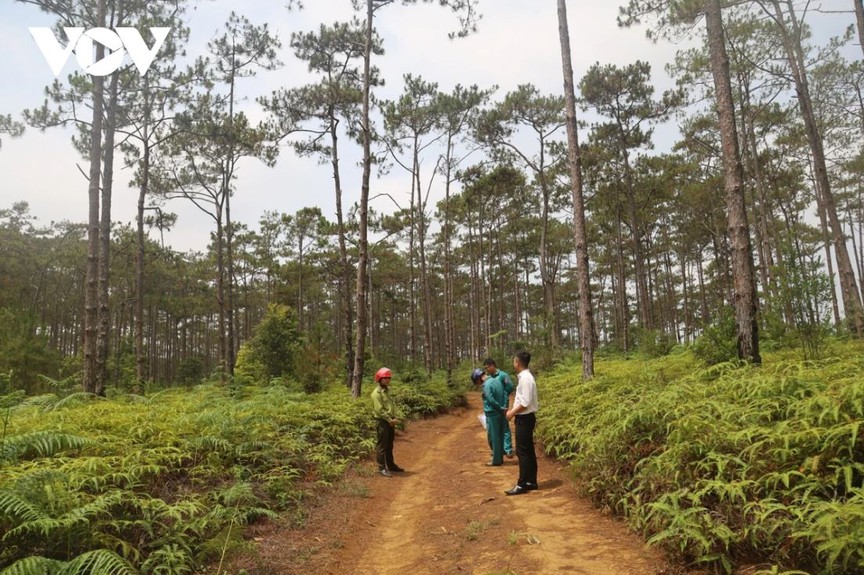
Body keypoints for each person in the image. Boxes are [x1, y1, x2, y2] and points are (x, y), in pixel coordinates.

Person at [505, 351, 539, 495]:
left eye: (514, 360)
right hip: (526, 418)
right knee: (528, 451)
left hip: (524, 418)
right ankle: (531, 481)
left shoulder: (525, 379)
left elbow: (525, 403)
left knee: (523, 452)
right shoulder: (525, 377)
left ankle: (522, 484)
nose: (513, 363)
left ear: (517, 362)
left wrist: (512, 413)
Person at [371, 367, 405, 477]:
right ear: (379, 379)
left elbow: (390, 406)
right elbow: (379, 410)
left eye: (389, 378)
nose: (387, 380)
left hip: (390, 421)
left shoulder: (387, 391)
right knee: (382, 445)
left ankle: (391, 465)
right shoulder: (376, 393)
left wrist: (393, 418)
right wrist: (389, 420)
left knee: (389, 445)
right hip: (383, 422)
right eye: (385, 378)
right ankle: (381, 468)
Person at [471, 367, 507, 466]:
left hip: (493, 414)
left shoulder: (486, 385)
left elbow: (490, 399)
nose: (479, 385)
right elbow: (504, 394)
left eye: (477, 382)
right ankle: (499, 458)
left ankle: (496, 460)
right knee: (499, 436)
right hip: (500, 413)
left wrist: (499, 407)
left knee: (493, 438)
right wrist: (504, 407)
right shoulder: (497, 381)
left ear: (479, 378)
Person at [484, 358, 515, 458]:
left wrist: (504, 396)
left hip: (503, 405)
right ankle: (498, 450)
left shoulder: (502, 375)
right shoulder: (489, 378)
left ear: (492, 366)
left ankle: (508, 449)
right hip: (494, 407)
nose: (486, 370)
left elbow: (510, 387)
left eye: (487, 367)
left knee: (504, 426)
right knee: (495, 428)